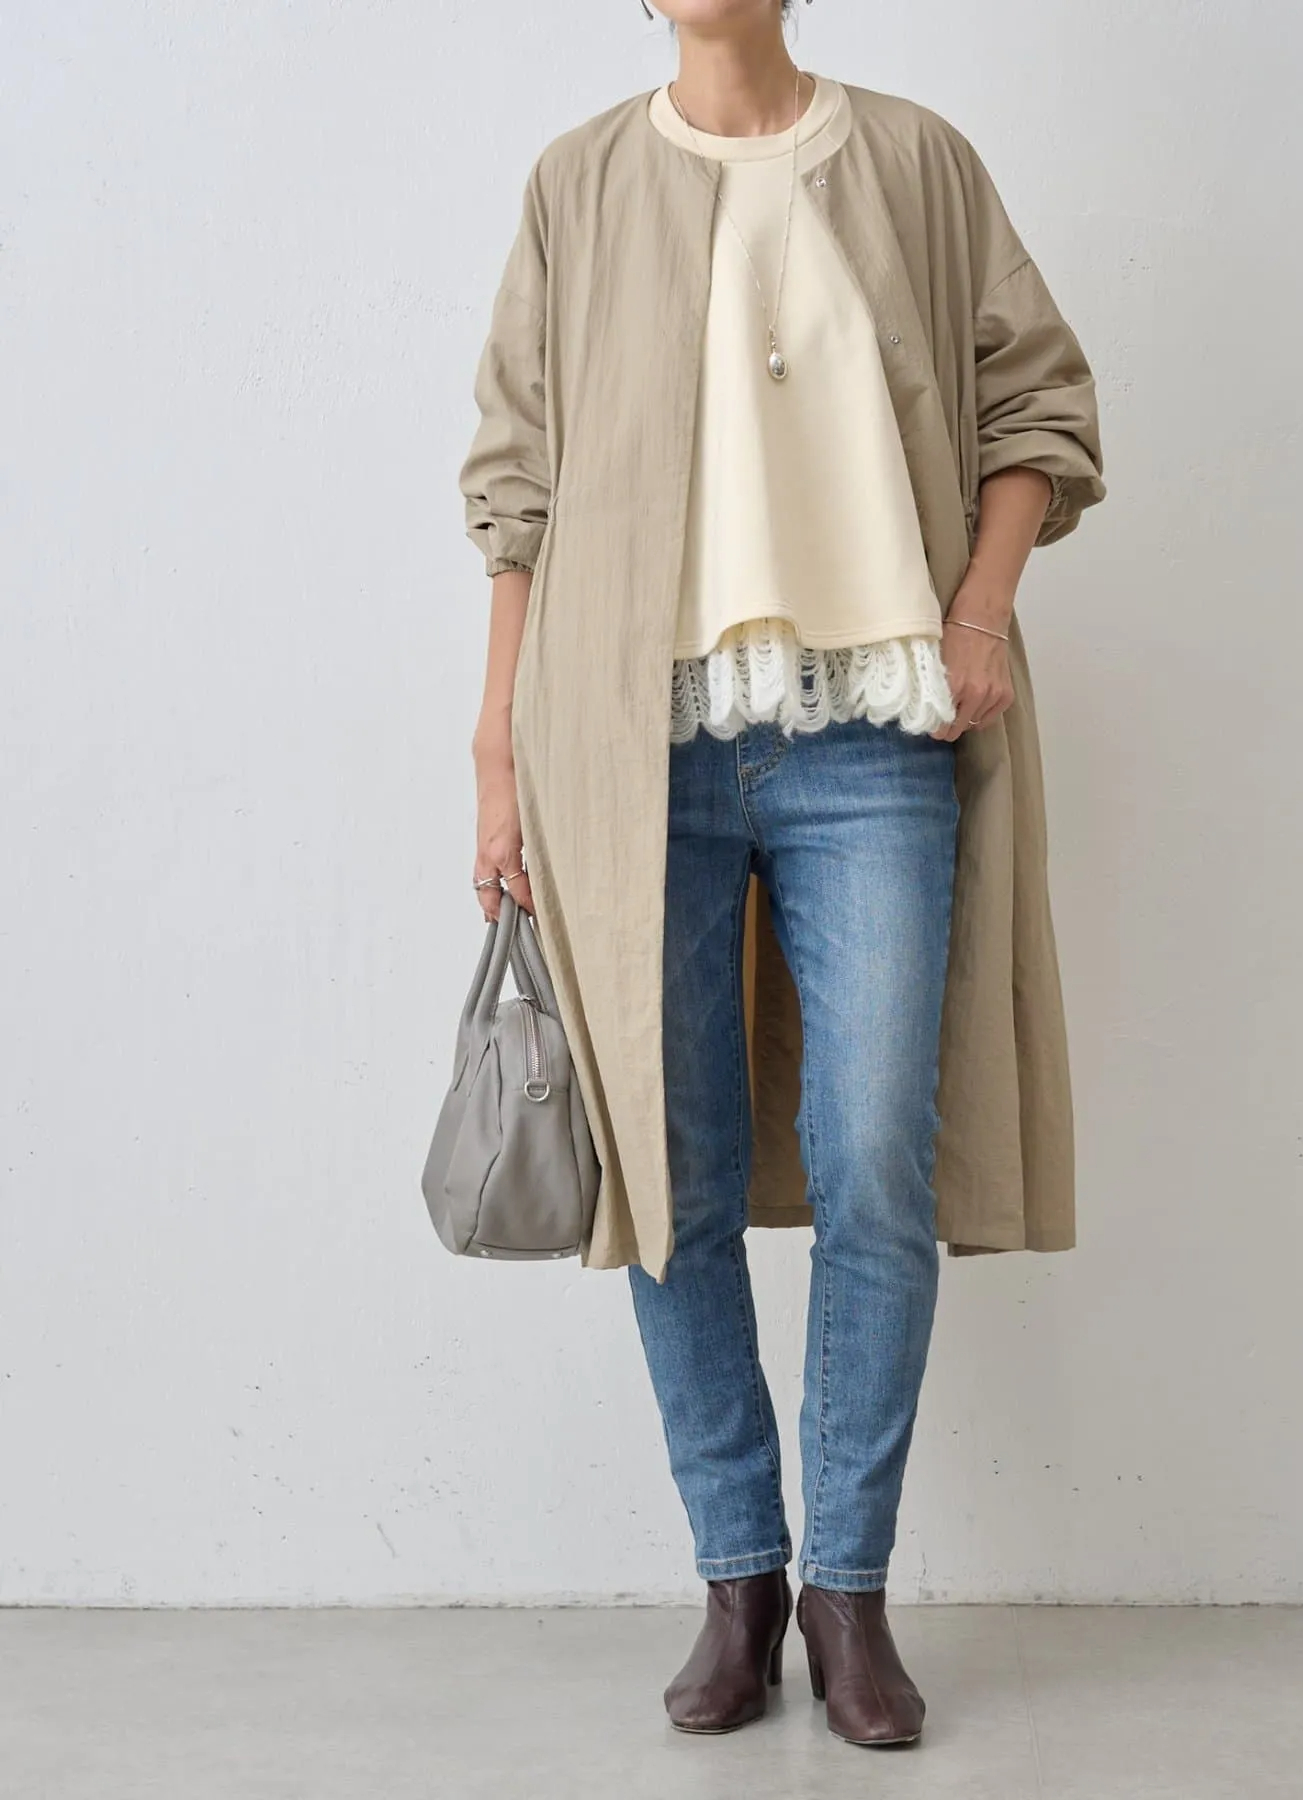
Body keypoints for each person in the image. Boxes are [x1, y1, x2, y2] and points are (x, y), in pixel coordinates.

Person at [458, 0, 1105, 1748]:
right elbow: (517, 487)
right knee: (668, 1167)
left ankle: (851, 1593)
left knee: (877, 1153)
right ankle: (739, 1575)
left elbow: (1039, 404)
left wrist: (981, 614)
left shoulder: (914, 161)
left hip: (871, 731)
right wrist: (500, 747)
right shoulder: (578, 183)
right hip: (632, 743)